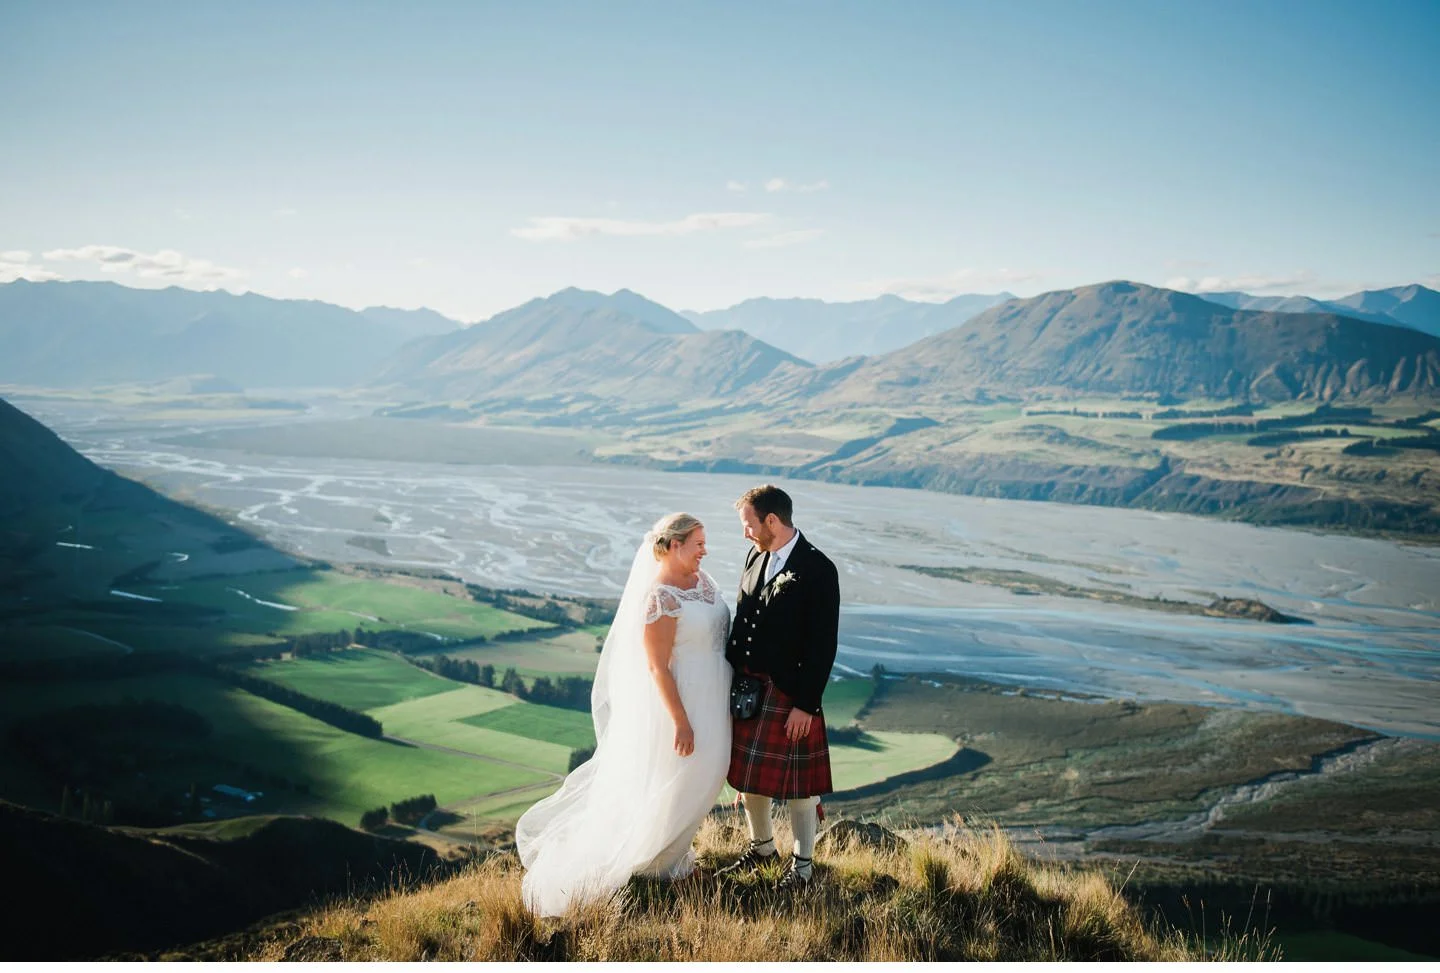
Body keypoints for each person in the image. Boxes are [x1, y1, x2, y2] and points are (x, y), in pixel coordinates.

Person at [515, 513, 732, 917]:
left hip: (715, 696)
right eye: (698, 543)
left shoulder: (706, 584)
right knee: (681, 778)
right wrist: (680, 721)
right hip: (683, 701)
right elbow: (657, 667)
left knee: (709, 773)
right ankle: (654, 864)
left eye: (705, 542)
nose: (706, 550)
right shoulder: (660, 597)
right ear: (673, 545)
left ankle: (675, 856)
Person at [719, 484, 841, 890]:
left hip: (790, 693)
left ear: (772, 520)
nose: (745, 534)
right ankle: (763, 848)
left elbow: (824, 644)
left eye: (748, 525)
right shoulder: (756, 555)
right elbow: (743, 620)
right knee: (751, 777)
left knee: (798, 787)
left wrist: (807, 704)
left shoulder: (818, 569)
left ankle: (803, 869)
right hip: (750, 689)